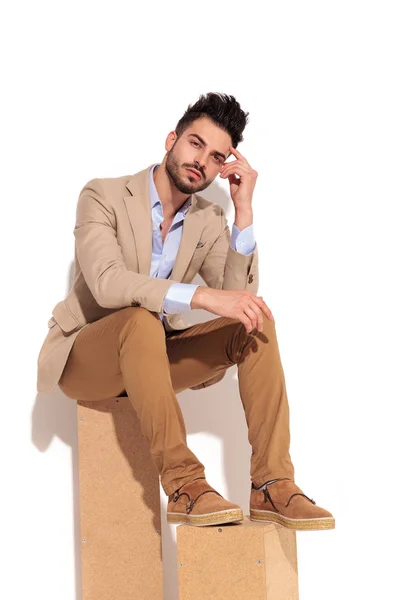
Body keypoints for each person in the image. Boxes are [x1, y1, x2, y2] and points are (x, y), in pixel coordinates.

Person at [37, 92, 334, 530]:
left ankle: (272, 484)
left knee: (257, 324)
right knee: (138, 320)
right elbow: (107, 282)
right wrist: (198, 297)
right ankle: (185, 485)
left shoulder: (208, 219)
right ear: (171, 140)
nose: (202, 161)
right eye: (195, 144)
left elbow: (239, 302)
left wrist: (243, 213)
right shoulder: (102, 195)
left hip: (152, 356)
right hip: (87, 358)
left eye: (216, 156)